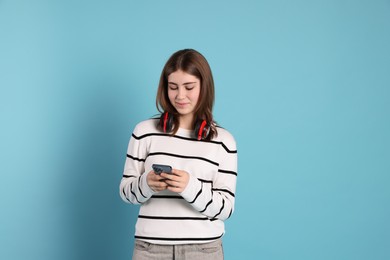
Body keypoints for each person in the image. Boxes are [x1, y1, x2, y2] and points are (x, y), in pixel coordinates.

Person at [119, 49, 238, 260]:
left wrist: (189, 187)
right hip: (150, 249)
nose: (180, 95)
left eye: (189, 87)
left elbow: (225, 209)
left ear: (204, 87)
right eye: (173, 87)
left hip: (203, 251)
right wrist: (147, 183)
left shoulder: (224, 141)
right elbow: (126, 193)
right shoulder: (144, 132)